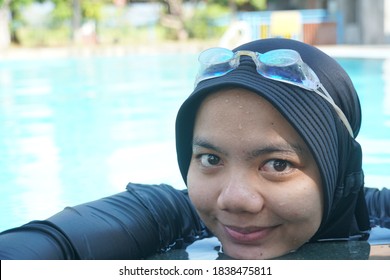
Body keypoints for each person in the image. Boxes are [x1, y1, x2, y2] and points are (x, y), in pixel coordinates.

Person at [0, 38, 389, 260]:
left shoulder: (380, 217)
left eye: (276, 163)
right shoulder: (168, 217)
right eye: (210, 159)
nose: (234, 200)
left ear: (338, 169)